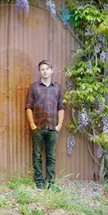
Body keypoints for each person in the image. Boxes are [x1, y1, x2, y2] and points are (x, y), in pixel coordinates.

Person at [25, 60, 65, 190]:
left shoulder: (57, 88)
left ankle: (50, 182)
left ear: (51, 70)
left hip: (53, 128)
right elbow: (28, 107)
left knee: (51, 156)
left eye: (47, 68)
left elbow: (61, 107)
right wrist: (32, 125)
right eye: (42, 69)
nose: (45, 71)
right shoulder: (34, 87)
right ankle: (39, 182)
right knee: (37, 155)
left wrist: (59, 125)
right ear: (39, 72)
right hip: (38, 128)